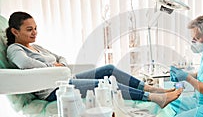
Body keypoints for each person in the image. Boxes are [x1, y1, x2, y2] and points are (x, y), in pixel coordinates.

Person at [5, 11, 182, 108]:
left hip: (65, 80)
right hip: (52, 91)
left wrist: (59, 65)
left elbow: (61, 58)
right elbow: (26, 64)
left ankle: (152, 89)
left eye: (35, 28)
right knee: (102, 84)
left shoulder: (36, 47)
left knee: (109, 69)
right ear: (15, 31)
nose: (34, 32)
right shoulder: (15, 49)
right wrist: (52, 65)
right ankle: (153, 97)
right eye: (29, 29)